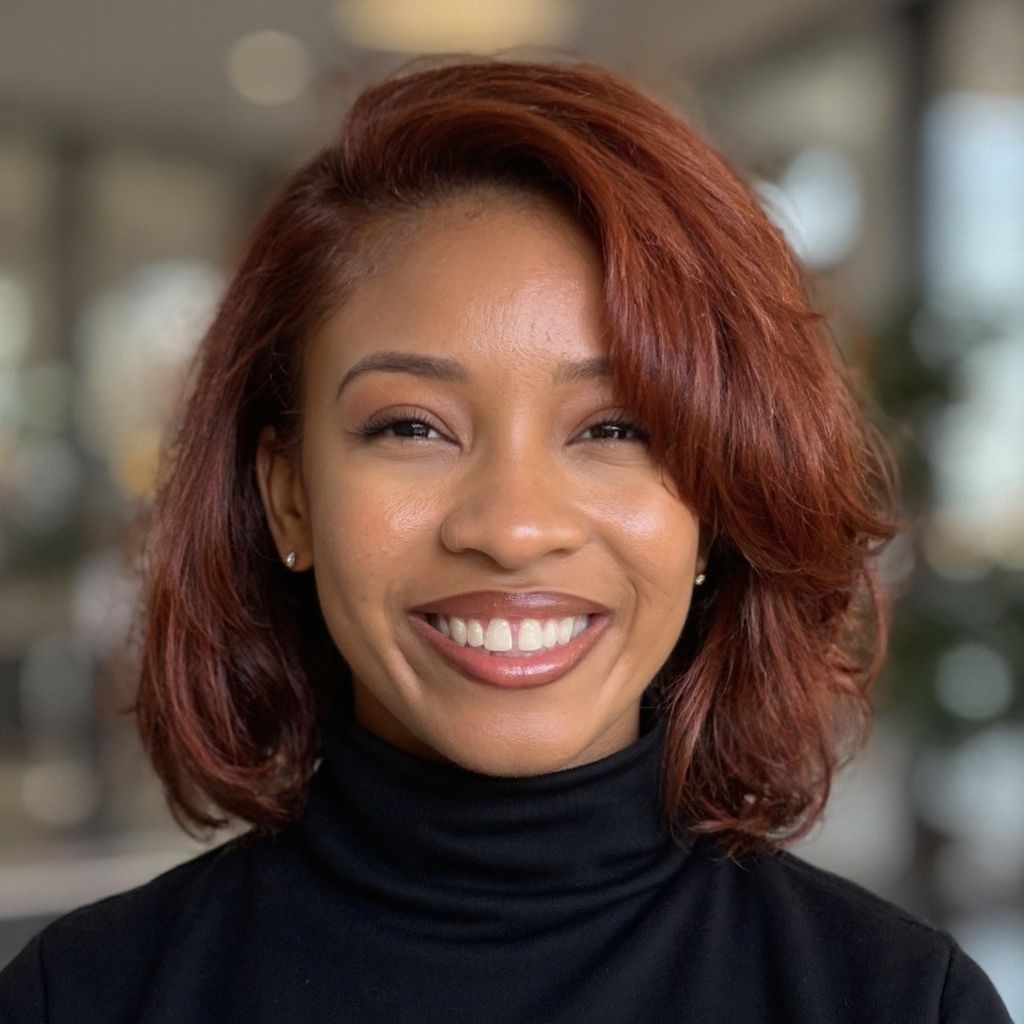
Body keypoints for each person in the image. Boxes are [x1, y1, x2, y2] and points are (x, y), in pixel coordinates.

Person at [0, 58, 1011, 1024]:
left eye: (616, 428)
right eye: (411, 426)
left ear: (718, 500)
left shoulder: (894, 999)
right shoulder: (84, 995)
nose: (515, 526)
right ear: (289, 496)